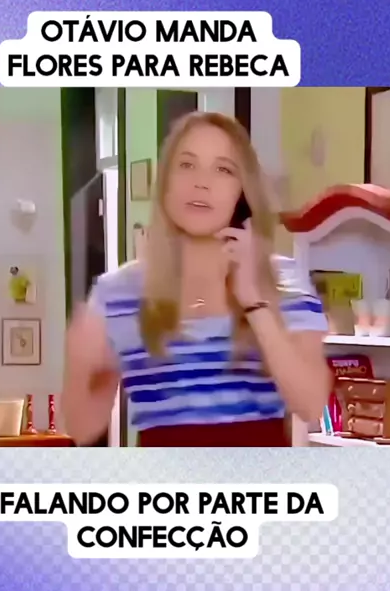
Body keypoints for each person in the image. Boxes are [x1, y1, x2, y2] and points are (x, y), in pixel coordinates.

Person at [62, 111, 330, 447]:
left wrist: (254, 301)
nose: (201, 182)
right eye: (187, 165)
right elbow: (82, 428)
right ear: (166, 185)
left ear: (243, 193)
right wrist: (80, 367)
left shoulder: (284, 281)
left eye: (223, 169)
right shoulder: (116, 293)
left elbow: (310, 404)